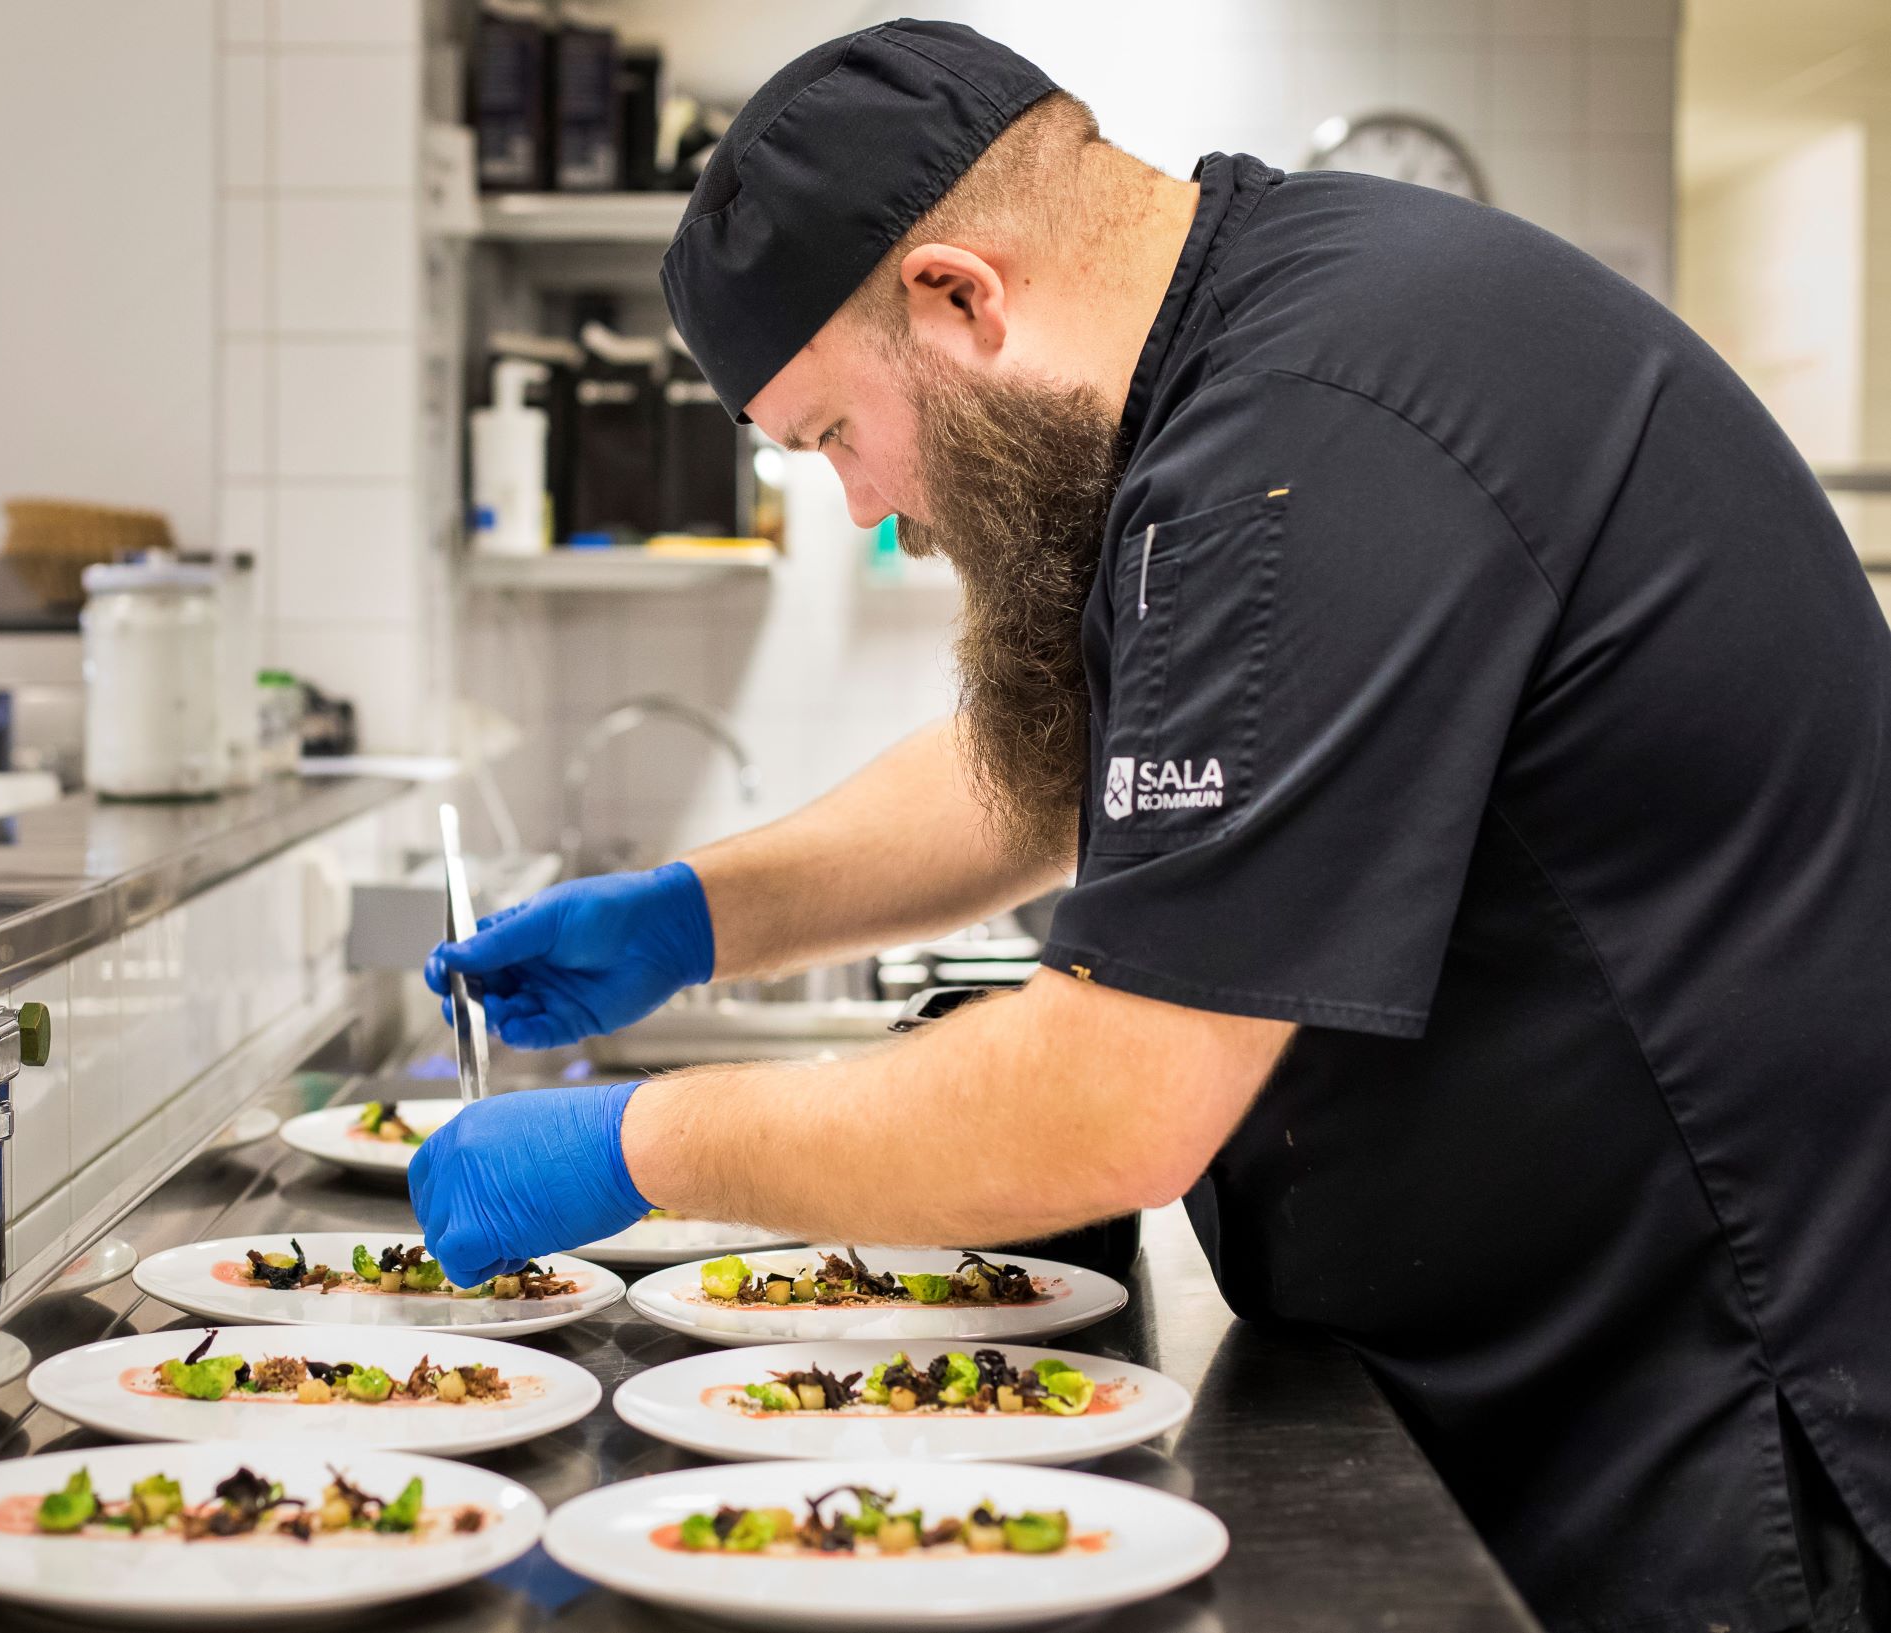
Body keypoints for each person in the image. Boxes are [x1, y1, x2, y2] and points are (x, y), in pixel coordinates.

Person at [410, 21, 1891, 1632]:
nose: (866, 509)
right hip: (1558, 1367)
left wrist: (639, 1146)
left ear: (957, 297)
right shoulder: (1254, 337)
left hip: (1713, 1432)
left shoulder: (1310, 432)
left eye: (833, 435)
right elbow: (1052, 765)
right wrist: (699, 912)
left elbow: (1109, 1102)